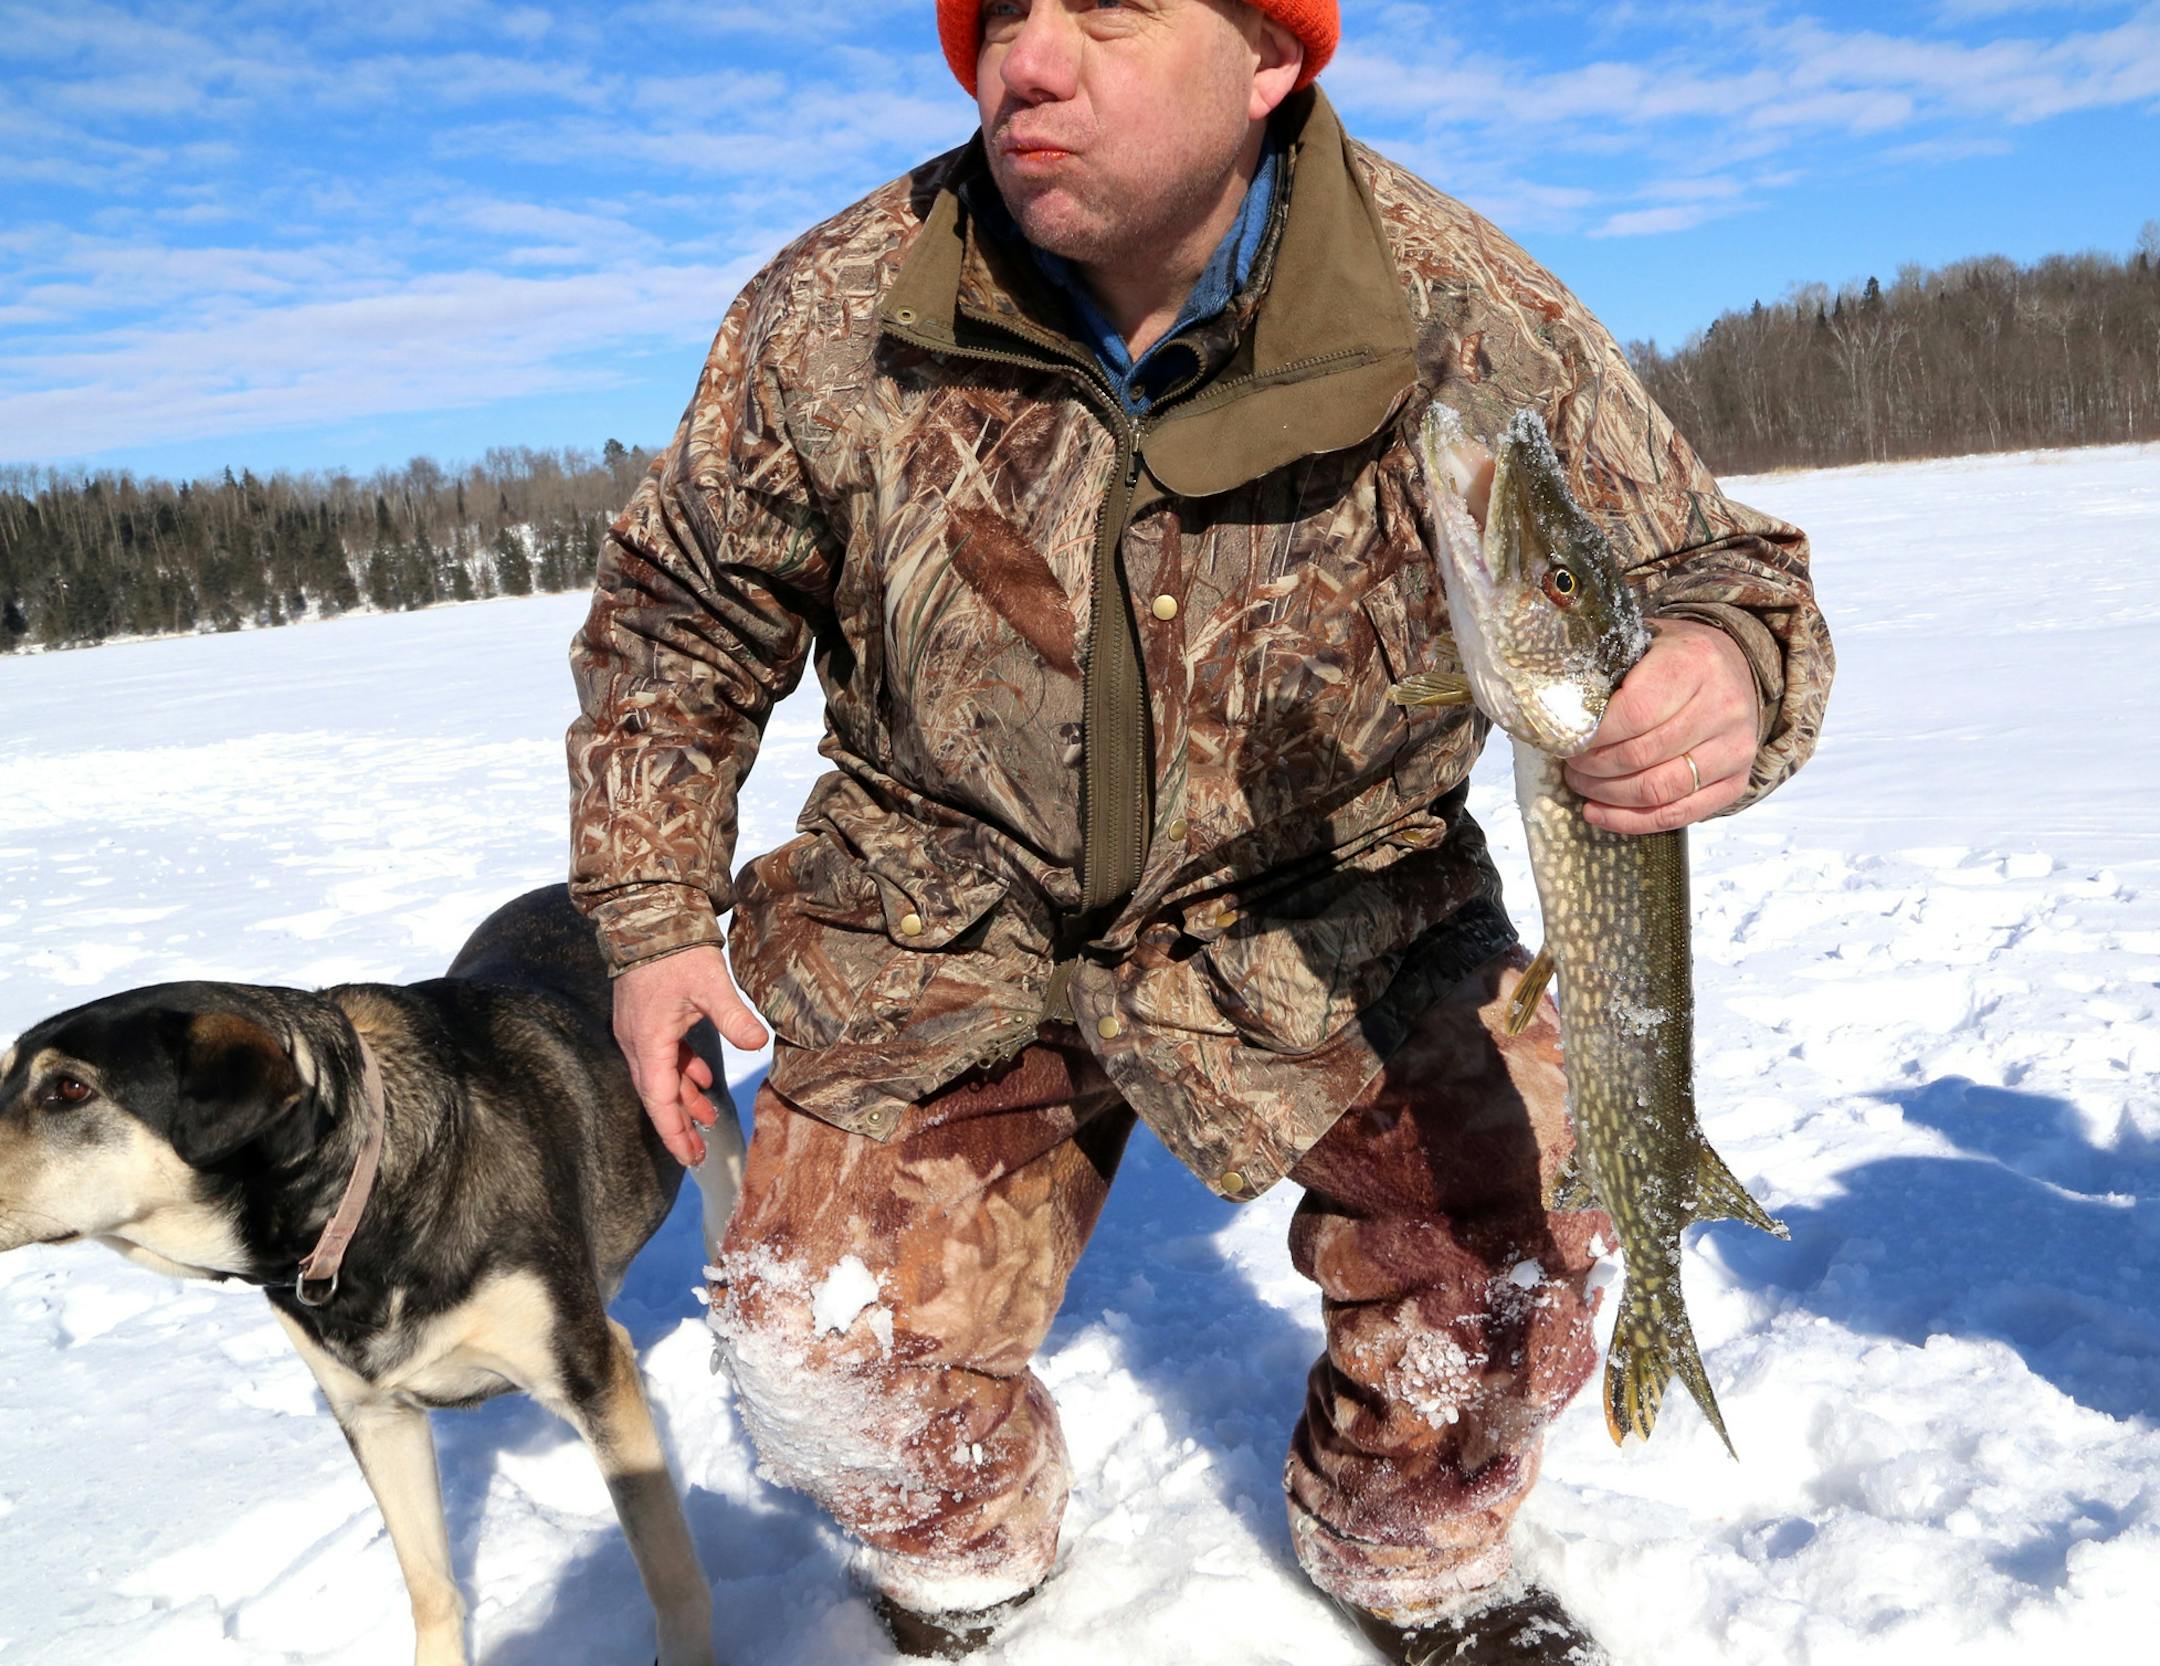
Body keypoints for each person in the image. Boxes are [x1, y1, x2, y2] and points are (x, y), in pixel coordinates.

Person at [566, 2, 1833, 1660]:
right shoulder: (837, 310)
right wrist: (655, 915)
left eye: (1103, 7)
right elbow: (681, 612)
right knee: (823, 1352)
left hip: (1331, 909)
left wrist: (1728, 674)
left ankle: (1409, 1557)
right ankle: (967, 1560)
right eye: (1003, 13)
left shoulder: (1448, 301)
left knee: (1507, 1281)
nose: (1025, 56)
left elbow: (1723, 577)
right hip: (944, 908)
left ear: (1268, 58)